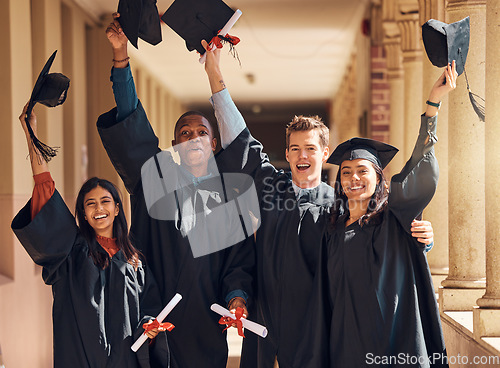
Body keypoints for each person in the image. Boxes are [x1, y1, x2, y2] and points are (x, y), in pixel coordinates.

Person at [204, 41, 436, 368]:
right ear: (285, 155)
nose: (302, 155)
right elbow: (239, 138)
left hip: (318, 328)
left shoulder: (342, 208)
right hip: (267, 322)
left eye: (311, 148)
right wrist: (214, 72)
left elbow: (381, 245)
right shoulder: (271, 187)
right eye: (295, 149)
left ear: (325, 154)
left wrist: (421, 240)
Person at [96, 14, 254, 368]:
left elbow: (238, 261)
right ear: (173, 145)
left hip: (205, 321)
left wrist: (237, 298)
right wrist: (121, 57)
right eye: (184, 133)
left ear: (213, 144)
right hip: (155, 315)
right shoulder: (156, 180)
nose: (193, 137)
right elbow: (132, 121)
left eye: (201, 132)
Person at [295, 62, 458, 368]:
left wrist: (433, 104)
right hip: (345, 345)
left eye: (362, 171)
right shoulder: (331, 229)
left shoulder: (394, 219)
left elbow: (421, 169)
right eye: (346, 172)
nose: (353, 178)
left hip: (393, 342)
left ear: (379, 177)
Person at [11, 104, 169, 368]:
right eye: (90, 203)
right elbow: (45, 191)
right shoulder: (72, 252)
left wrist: (151, 329)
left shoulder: (135, 262)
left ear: (117, 208)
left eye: (106, 201)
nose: (99, 209)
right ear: (83, 213)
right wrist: (32, 136)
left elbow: (149, 309)